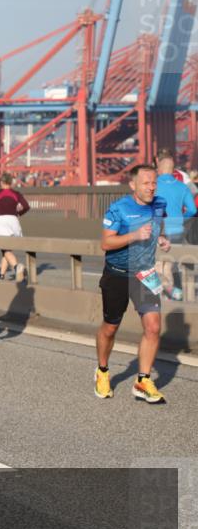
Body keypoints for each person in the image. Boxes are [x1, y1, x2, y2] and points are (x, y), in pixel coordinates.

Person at [95, 164, 171, 403]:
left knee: (153, 327)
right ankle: (103, 371)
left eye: (153, 183)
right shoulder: (118, 209)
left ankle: (143, 380)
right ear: (133, 185)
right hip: (117, 274)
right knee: (110, 327)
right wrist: (135, 235)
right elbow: (106, 244)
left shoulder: (159, 204)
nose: (151, 188)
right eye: (146, 183)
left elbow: (159, 226)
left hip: (144, 274)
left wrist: (161, 238)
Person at [154, 150, 197, 300]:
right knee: (168, 266)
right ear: (173, 170)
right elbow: (192, 209)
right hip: (177, 231)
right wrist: (180, 218)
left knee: (159, 267)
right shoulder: (182, 187)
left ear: (158, 169)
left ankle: (170, 295)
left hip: (158, 230)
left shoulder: (152, 186)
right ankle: (171, 298)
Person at [0, 173, 30, 281]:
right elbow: (26, 206)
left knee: (5, 249)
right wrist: (18, 213)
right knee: (7, 248)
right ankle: (1, 275)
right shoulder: (16, 193)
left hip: (1, 221)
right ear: (11, 182)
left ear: (1, 182)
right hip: (14, 221)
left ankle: (17, 267)